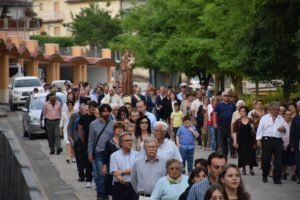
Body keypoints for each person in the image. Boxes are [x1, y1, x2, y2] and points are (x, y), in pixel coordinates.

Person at [88, 104, 115, 200]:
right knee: (100, 174)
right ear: (100, 112)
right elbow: (91, 140)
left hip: (111, 153)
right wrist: (90, 152)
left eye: (108, 111)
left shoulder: (114, 123)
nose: (106, 113)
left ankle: (104, 192)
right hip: (98, 152)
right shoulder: (93, 124)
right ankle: (101, 194)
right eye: (104, 111)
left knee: (109, 175)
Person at [256, 101, 286, 184]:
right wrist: (258, 139)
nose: (277, 111)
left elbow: (285, 129)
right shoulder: (264, 118)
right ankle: (264, 175)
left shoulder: (281, 118)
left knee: (278, 160)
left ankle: (277, 179)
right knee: (266, 159)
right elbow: (260, 129)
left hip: (278, 140)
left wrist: (283, 129)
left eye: (278, 110)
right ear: (271, 109)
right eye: (276, 110)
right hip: (267, 140)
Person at [110, 132, 139, 200]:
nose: (130, 142)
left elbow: (136, 170)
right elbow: (115, 172)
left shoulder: (137, 155)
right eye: (127, 141)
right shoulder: (114, 155)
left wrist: (122, 171)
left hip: (133, 186)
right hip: (119, 186)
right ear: (121, 143)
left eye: (131, 140)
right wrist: (120, 178)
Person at [78, 101, 98, 188]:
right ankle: (88, 179)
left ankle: (97, 179)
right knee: (88, 161)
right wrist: (83, 141)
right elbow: (80, 130)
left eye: (95, 108)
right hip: (87, 142)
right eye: (92, 108)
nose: (93, 110)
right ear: (89, 108)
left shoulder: (97, 117)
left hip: (97, 142)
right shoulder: (83, 118)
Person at [232, 106, 257, 175]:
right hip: (241, 141)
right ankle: (243, 168)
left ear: (246, 112)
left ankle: (251, 168)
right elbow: (234, 132)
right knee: (242, 155)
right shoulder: (237, 122)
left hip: (250, 141)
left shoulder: (251, 120)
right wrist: (235, 141)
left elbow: (255, 130)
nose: (241, 112)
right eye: (240, 111)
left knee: (251, 155)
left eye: (243, 111)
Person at [102, 121, 125, 196]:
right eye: (118, 128)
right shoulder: (109, 142)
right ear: (114, 130)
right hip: (112, 167)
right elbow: (106, 155)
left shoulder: (126, 141)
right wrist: (104, 166)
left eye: (121, 128)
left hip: (124, 166)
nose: (120, 129)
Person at [67, 103, 88, 182]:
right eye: (84, 110)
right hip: (77, 139)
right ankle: (81, 174)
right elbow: (70, 126)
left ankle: (87, 173)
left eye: (86, 110)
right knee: (79, 158)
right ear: (80, 109)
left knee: (85, 157)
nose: (85, 111)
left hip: (86, 140)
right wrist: (70, 136)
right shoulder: (74, 116)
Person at [213, 91, 236, 158]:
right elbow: (214, 114)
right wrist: (214, 123)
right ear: (222, 97)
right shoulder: (218, 105)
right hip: (221, 125)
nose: (226, 96)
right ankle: (224, 153)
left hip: (231, 126)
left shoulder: (233, 105)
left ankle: (232, 153)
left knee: (231, 139)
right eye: (225, 95)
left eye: (228, 95)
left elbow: (236, 114)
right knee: (223, 140)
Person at [282, 110, 296, 181]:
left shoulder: (293, 123)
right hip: (283, 143)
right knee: (284, 160)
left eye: (290, 115)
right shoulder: (281, 123)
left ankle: (293, 174)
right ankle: (284, 173)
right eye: (287, 114)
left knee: (293, 160)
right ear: (284, 115)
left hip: (291, 143)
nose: (288, 116)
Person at [289, 100, 300, 184]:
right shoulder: (295, 118)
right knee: (298, 161)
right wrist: (292, 144)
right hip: (297, 144)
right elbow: (291, 132)